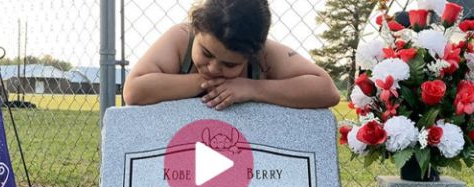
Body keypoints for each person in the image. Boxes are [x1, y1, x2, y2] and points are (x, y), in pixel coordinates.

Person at [123, 0, 340, 110]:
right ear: (196, 29)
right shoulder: (181, 38)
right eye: (206, 53)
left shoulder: (265, 55)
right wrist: (202, 82)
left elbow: (327, 91)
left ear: (253, 55)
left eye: (230, 64)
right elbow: (134, 90)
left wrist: (251, 88)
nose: (214, 68)